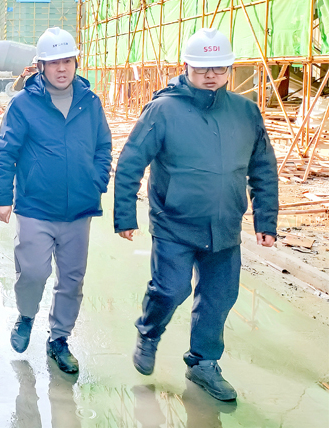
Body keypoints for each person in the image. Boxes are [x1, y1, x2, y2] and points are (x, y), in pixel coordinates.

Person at [113, 28, 278, 401]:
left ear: (230, 68)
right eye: (203, 67)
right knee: (170, 289)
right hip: (174, 223)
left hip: (225, 225)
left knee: (220, 297)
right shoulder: (164, 110)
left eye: (219, 68)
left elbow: (263, 168)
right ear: (186, 66)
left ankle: (203, 363)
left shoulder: (245, 112)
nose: (211, 75)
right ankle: (149, 332)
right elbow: (131, 161)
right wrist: (125, 214)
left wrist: (266, 219)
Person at [0, 27, 112, 374]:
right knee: (33, 271)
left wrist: (96, 181)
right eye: (54, 62)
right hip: (36, 207)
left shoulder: (90, 103)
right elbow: (5, 152)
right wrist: (3, 197)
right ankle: (26, 315)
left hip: (79, 210)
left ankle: (59, 339)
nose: (62, 68)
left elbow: (103, 146)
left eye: (67, 61)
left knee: (72, 280)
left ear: (75, 63)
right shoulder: (23, 105)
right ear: (41, 66)